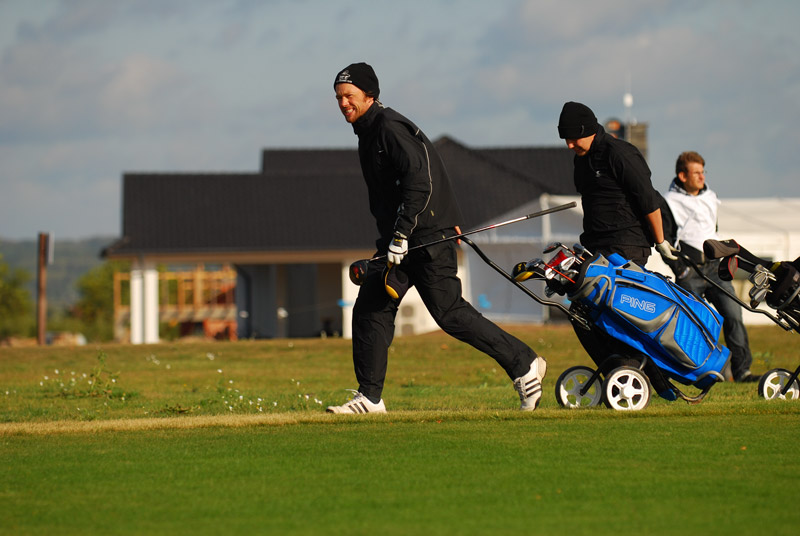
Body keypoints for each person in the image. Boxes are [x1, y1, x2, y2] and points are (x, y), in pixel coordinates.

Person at [326, 62, 546, 414]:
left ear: (369, 95)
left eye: (349, 96)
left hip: (424, 236)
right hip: (402, 239)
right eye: (338, 97)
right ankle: (369, 398)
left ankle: (524, 364)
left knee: (449, 313)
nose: (343, 103)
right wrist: (396, 237)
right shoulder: (369, 131)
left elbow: (421, 179)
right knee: (371, 305)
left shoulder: (389, 127)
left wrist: (402, 233)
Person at [557, 101, 679, 397]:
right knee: (581, 313)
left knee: (621, 314)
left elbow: (648, 200)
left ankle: (643, 378)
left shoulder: (620, 153)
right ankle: (620, 374)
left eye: (574, 137)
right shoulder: (580, 159)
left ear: (589, 130)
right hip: (596, 248)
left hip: (627, 246)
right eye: (565, 138)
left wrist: (661, 241)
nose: (570, 144)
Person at [662, 151, 758, 382]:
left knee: (734, 315)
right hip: (690, 269)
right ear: (682, 175)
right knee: (695, 323)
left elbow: (711, 230)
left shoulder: (711, 196)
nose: (702, 177)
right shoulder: (668, 201)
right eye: (696, 173)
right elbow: (664, 240)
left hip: (715, 268)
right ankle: (701, 371)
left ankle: (742, 371)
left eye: (703, 172)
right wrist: (680, 270)